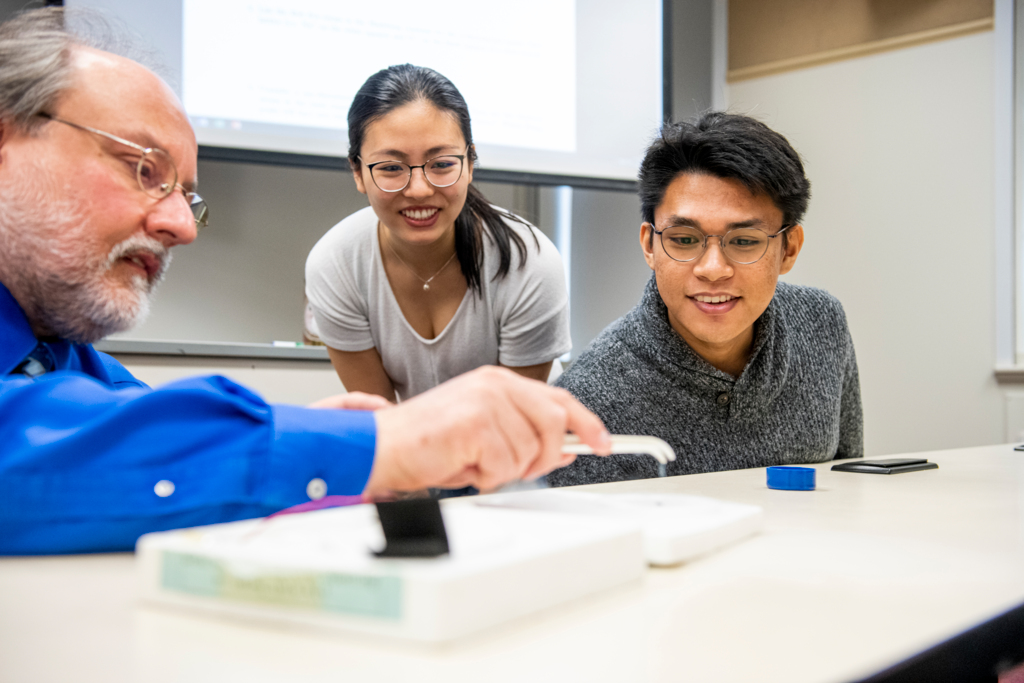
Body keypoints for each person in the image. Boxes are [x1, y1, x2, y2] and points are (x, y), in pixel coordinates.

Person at [0, 8, 610, 555]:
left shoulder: (66, 362)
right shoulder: (337, 260)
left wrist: (344, 442)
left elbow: (139, 437)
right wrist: (370, 441)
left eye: (187, 195)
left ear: (470, 163)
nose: (183, 226)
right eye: (142, 169)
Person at [547, 112, 862, 487]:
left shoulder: (821, 323)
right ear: (650, 245)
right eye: (684, 239)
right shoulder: (588, 401)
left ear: (789, 249)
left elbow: (850, 487)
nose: (713, 269)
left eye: (743, 241)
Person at [305, 64, 570, 402]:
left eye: (442, 164)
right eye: (391, 168)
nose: (419, 190)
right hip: (416, 433)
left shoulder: (529, 263)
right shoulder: (335, 265)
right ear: (358, 172)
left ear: (470, 163)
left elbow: (510, 419)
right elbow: (380, 418)